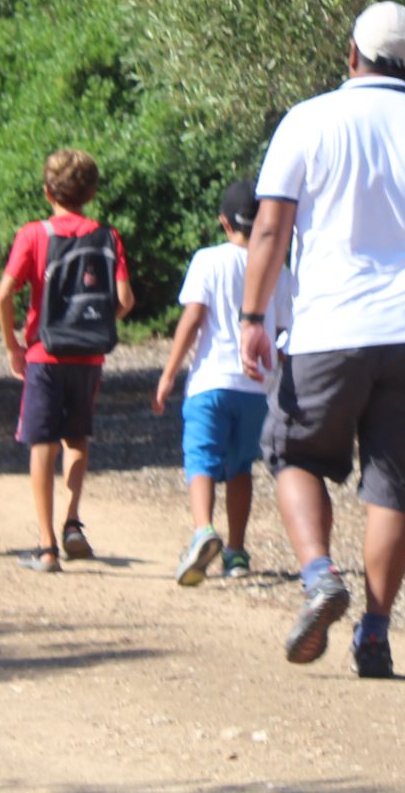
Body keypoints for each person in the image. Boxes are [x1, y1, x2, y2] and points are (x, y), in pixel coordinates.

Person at [242, 1, 405, 678]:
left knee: (294, 453)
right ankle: (377, 633)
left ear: (351, 53)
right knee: (394, 484)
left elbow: (270, 228)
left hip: (331, 325)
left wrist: (252, 316)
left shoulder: (308, 120)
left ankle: (320, 574)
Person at [0, 148, 134, 573]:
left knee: (43, 442)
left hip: (45, 353)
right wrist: (90, 323)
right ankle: (72, 523)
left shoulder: (34, 234)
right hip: (89, 356)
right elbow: (125, 300)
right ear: (91, 192)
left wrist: (12, 346)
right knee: (77, 439)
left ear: (47, 192)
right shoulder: (107, 236)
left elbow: (4, 294)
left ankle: (46, 545)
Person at [153, 178, 291, 585]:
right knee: (240, 468)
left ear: (224, 222)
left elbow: (193, 319)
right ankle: (236, 552)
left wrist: (168, 374)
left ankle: (202, 531)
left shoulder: (208, 260)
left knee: (201, 459)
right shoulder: (279, 268)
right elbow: (283, 334)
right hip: (257, 388)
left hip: (210, 382)